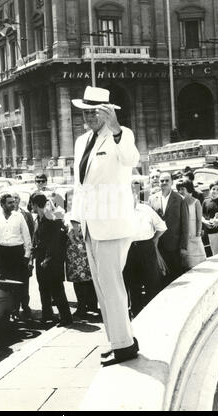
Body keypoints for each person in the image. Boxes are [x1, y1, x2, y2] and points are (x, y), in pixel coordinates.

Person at [70, 86, 140, 366]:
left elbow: (131, 159)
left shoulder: (121, 135)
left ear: (107, 111)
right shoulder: (81, 141)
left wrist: (116, 129)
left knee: (112, 285)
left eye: (94, 112)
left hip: (112, 224)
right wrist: (75, 218)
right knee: (102, 287)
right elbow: (80, 185)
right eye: (85, 111)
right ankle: (118, 341)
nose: (88, 117)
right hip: (90, 225)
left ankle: (124, 346)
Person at [29, 192, 72, 326]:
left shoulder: (51, 219)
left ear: (35, 204)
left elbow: (55, 242)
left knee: (56, 288)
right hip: (40, 259)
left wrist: (47, 259)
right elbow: (36, 240)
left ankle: (66, 317)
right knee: (43, 288)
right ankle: (47, 314)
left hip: (52, 260)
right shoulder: (38, 219)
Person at [123, 184, 167, 317]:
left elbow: (162, 227)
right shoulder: (119, 212)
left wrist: (154, 240)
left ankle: (154, 312)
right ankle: (136, 312)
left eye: (131, 194)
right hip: (128, 249)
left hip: (146, 248)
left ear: (135, 195)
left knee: (152, 281)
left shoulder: (146, 209)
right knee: (132, 282)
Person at [0, 193, 32, 321]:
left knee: (20, 283)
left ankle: (21, 308)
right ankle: (8, 311)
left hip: (17, 253)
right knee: (4, 284)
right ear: (2, 205)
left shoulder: (19, 217)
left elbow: (26, 236)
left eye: (13, 202)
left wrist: (26, 255)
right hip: (2, 255)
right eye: (9, 202)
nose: (13, 204)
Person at [148, 172, 189, 285]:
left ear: (172, 182)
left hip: (174, 246)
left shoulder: (180, 199)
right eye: (162, 181)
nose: (164, 183)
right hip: (158, 244)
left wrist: (183, 247)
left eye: (167, 180)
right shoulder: (152, 199)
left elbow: (185, 224)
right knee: (161, 278)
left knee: (176, 276)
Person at [64, 189, 98, 319]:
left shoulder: (86, 214)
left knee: (90, 280)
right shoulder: (66, 216)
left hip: (86, 252)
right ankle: (81, 307)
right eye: (70, 200)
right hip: (72, 254)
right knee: (77, 282)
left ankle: (93, 306)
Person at [12, 192, 35, 319]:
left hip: (25, 254)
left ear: (19, 200)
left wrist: (30, 257)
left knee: (24, 281)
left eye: (16, 197)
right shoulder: (5, 216)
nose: (14, 200)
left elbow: (32, 235)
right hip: (12, 256)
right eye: (12, 198)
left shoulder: (26, 215)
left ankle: (25, 306)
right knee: (13, 282)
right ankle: (14, 308)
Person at [176, 180, 206, 270]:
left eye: (182, 189)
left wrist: (198, 232)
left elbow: (199, 219)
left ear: (189, 189)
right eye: (179, 189)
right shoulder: (180, 202)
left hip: (193, 230)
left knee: (196, 253)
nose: (180, 191)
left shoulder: (196, 202)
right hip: (184, 232)